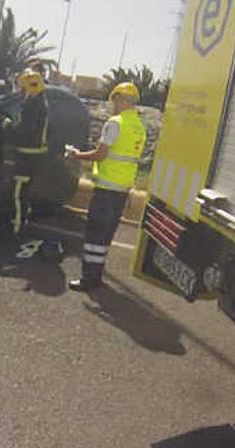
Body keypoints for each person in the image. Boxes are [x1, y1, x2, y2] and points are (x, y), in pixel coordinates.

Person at [67, 82, 147, 292]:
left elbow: (100, 154)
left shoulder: (115, 123)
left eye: (114, 100)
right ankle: (97, 275)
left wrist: (76, 155)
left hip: (106, 190)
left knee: (94, 235)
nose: (113, 105)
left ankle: (88, 279)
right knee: (105, 236)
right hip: (122, 190)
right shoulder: (139, 126)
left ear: (120, 99)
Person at [4, 70, 49, 238]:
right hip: (34, 153)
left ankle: (17, 226)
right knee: (24, 191)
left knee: (18, 192)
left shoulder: (32, 105)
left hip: (26, 154)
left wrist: (7, 125)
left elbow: (23, 131)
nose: (20, 91)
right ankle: (23, 219)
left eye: (22, 88)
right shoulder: (40, 101)